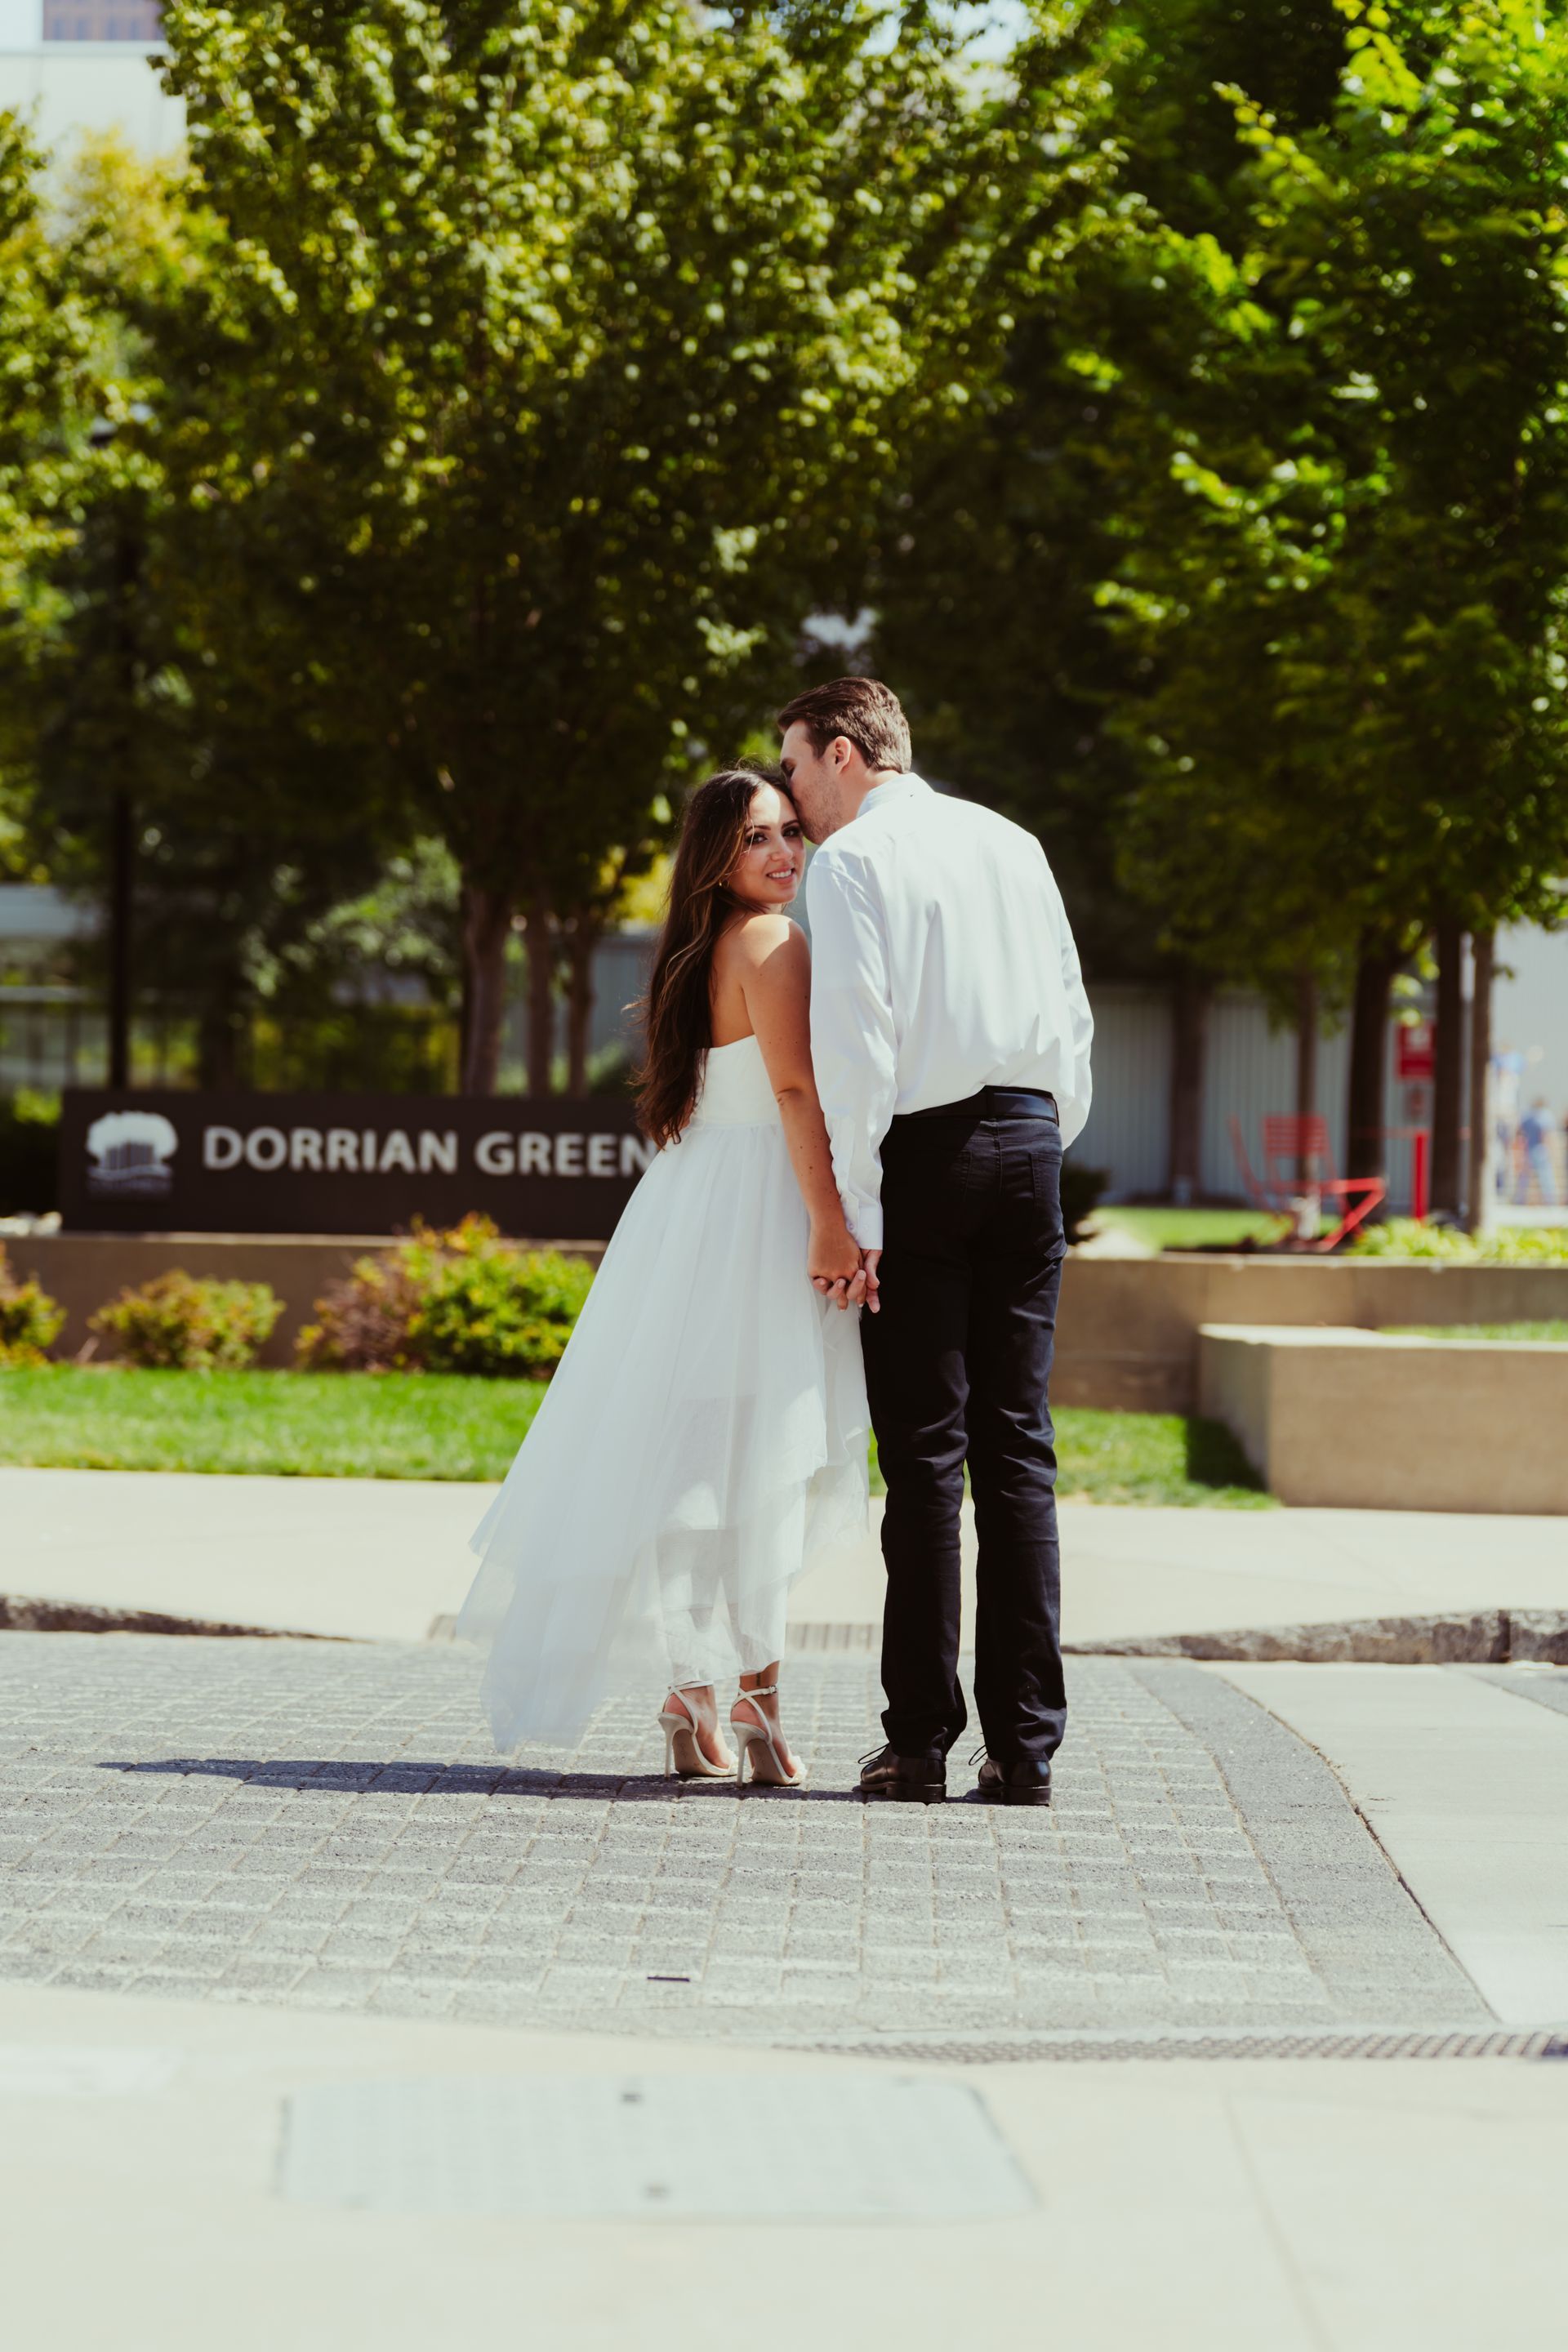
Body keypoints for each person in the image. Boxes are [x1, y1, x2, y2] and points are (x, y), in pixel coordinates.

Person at [457, 768, 868, 1787]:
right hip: (761, 1210)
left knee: (699, 1459)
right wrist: (829, 1222)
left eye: (789, 835)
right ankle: (756, 1701)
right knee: (757, 1458)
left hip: (692, 1210)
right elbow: (792, 1087)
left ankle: (695, 1693)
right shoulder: (774, 943)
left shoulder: (702, 949)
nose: (783, 856)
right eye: (756, 841)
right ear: (718, 861)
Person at [779, 678, 1094, 1806]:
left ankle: (917, 1743)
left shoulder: (854, 861)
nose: (794, 792)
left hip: (925, 1153)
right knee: (1021, 1449)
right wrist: (1050, 1136)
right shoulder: (1014, 842)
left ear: (846, 753)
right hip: (1030, 1141)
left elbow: (858, 1046)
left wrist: (858, 1217)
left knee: (925, 1460)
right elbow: (1071, 1010)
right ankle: (1026, 1750)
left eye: (800, 766)